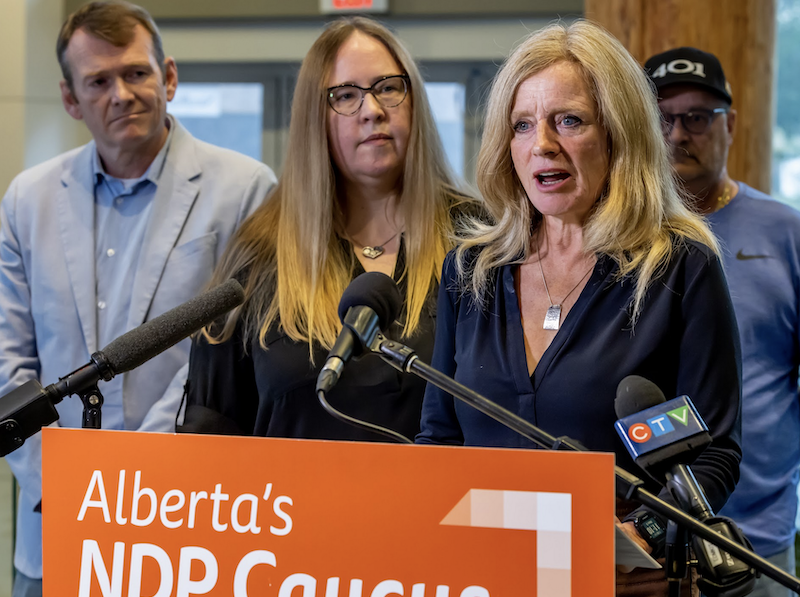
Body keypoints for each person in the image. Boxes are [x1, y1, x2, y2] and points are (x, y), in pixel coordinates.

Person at [417, 21, 742, 596]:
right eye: (522, 125)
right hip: (484, 575)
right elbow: (439, 438)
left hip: (621, 581)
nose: (542, 143)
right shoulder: (470, 272)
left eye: (568, 120)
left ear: (619, 134)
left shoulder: (681, 267)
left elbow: (713, 451)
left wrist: (643, 530)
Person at [0, 2, 276, 594]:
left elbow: (227, 357)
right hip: (52, 526)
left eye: (136, 73)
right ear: (71, 100)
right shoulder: (28, 199)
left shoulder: (246, 190)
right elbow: (7, 357)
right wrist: (61, 479)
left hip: (183, 519)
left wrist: (137, 484)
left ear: (168, 77)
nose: (121, 94)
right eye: (98, 81)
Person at [178, 17, 471, 441]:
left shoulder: (475, 242)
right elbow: (212, 433)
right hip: (287, 506)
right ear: (315, 118)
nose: (372, 110)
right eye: (346, 95)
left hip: (449, 507)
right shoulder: (259, 255)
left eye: (388, 88)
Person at [646, 46, 800, 597]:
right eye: (663, 118)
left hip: (758, 536)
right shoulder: (618, 240)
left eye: (698, 118)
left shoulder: (786, 234)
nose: (678, 134)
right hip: (644, 539)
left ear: (730, 124)